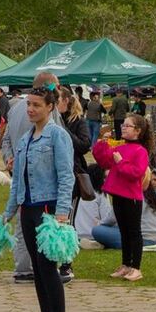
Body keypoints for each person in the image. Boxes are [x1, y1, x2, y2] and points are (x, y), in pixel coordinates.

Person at [4, 86, 74, 312]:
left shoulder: (57, 135)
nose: (31, 109)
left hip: (49, 208)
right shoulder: (25, 139)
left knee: (48, 267)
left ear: (50, 107)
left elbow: (66, 176)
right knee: (37, 268)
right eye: (29, 105)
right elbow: (17, 182)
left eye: (36, 105)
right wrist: (8, 213)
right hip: (28, 208)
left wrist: (62, 213)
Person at [1, 72, 61, 284]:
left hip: (21, 173)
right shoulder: (44, 112)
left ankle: (23, 268)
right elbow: (59, 149)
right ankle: (43, 268)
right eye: (57, 87)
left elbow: (6, 138)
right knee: (44, 226)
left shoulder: (16, 106)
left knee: (22, 223)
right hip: (41, 180)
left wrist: (9, 158)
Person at [92, 113, 153, 282]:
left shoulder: (140, 151)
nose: (123, 128)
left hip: (132, 197)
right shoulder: (120, 147)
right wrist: (102, 143)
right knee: (123, 232)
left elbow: (136, 173)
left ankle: (136, 267)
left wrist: (120, 162)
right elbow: (104, 161)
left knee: (134, 232)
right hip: (118, 194)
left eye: (128, 126)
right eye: (123, 125)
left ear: (138, 131)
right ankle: (126, 264)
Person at [57, 86, 90, 283]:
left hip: (72, 177)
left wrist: (63, 129)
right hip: (53, 179)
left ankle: (66, 265)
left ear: (67, 101)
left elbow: (84, 145)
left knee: (67, 222)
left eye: (58, 99)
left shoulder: (78, 122)